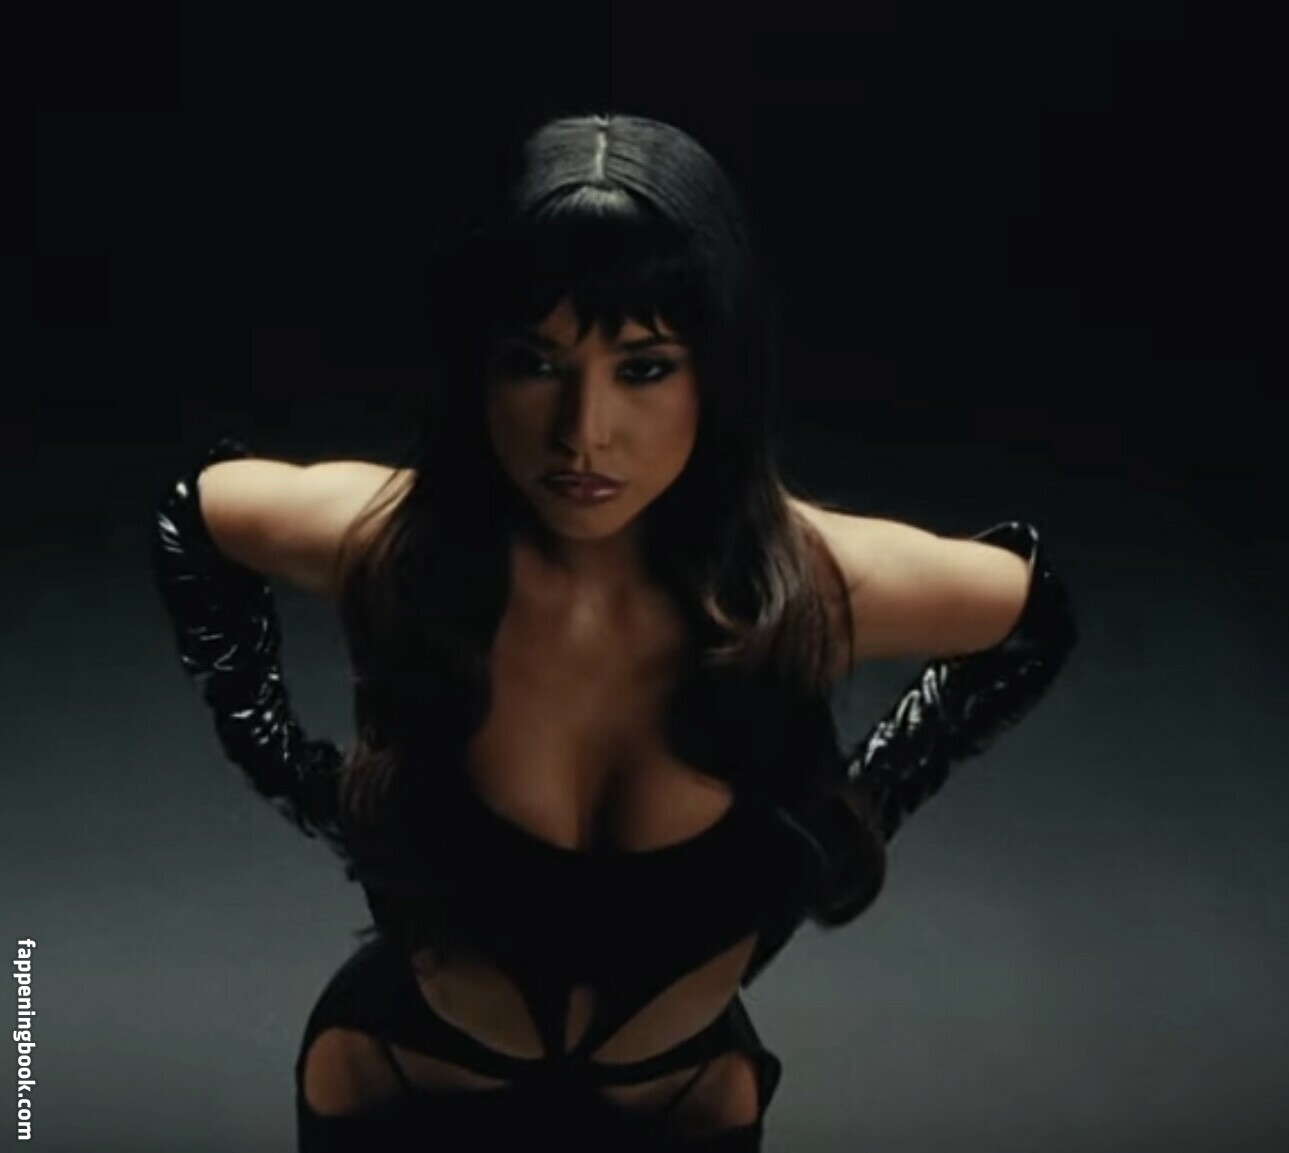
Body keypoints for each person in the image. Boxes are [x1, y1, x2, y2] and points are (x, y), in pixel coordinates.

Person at [151, 113, 1077, 1151]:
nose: (581, 434)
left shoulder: (811, 586)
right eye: (533, 361)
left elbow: (1030, 614)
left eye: (642, 367)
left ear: (716, 372)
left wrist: (858, 805)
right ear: (477, 368)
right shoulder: (403, 548)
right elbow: (198, 515)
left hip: (677, 1103)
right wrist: (295, 774)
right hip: (398, 1077)